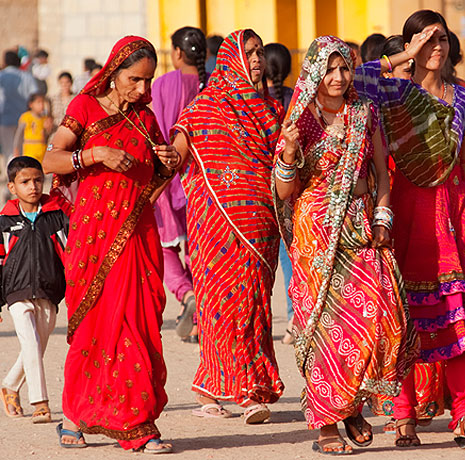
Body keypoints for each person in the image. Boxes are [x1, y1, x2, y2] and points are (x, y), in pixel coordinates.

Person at [355, 9, 465, 448]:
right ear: (411, 43)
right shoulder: (393, 92)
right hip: (406, 211)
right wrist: (403, 57)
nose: (435, 47)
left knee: (462, 315)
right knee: (404, 317)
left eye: (441, 39)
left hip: (454, 213)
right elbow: (356, 80)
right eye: (425, 39)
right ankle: (403, 417)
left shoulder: (464, 97)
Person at [274, 35, 418, 455]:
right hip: (315, 231)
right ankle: (327, 424)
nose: (338, 77)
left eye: (345, 68)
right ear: (315, 72)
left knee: (382, 313)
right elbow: (286, 192)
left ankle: (350, 401)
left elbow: (382, 174)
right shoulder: (298, 120)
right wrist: (287, 153)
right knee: (324, 328)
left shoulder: (363, 113)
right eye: (330, 69)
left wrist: (382, 217)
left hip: (360, 224)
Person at [43, 36, 179, 453]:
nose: (143, 90)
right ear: (114, 72)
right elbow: (51, 159)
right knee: (92, 328)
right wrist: (94, 154)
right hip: (94, 239)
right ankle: (75, 416)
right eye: (135, 80)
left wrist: (171, 161)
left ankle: (138, 422)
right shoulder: (84, 109)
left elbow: (158, 171)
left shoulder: (146, 118)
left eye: (148, 81)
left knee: (137, 325)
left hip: (138, 235)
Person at [171, 29, 284, 424]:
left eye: (259, 52)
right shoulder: (204, 107)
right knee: (219, 303)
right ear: (231, 57)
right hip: (215, 223)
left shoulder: (270, 109)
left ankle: (242, 384)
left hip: (261, 226)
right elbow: (182, 150)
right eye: (249, 52)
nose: (256, 59)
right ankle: (230, 388)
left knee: (253, 304)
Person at [0, 157, 68, 424]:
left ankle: (9, 385)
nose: (33, 186)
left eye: (38, 180)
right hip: (16, 292)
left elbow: (70, 254)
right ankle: (40, 402)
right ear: (12, 187)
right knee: (30, 341)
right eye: (25, 182)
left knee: (36, 346)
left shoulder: (56, 216)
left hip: (49, 290)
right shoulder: (4, 221)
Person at [152, 26, 206, 343]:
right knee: (198, 248)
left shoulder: (163, 84)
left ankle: (186, 296)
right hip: (202, 179)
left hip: (168, 174)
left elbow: (158, 130)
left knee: (166, 245)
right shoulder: (211, 84)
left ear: (176, 53)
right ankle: (201, 314)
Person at [264, 42, 295, 344]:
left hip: (267, 187)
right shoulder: (293, 98)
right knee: (290, 255)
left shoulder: (261, 102)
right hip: (293, 184)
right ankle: (294, 315)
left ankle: (289, 318)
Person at [0, 51, 39, 159]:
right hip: (24, 118)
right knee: (22, 151)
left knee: (8, 151)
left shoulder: (1, 76)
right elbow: (35, 95)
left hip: (5, 119)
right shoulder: (26, 76)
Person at [13, 93, 52, 162]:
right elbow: (19, 135)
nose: (42, 105)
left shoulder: (44, 119)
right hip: (30, 151)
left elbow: (47, 137)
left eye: (43, 102)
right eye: (38, 102)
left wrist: (48, 129)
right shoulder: (26, 117)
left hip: (42, 152)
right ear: (31, 104)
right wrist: (16, 149)